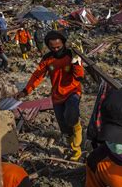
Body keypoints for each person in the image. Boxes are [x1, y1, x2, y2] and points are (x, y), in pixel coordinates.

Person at [16, 30, 84, 161]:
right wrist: (25, 91)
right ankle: (74, 148)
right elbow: (37, 76)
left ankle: (77, 145)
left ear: (63, 44)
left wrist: (76, 63)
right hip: (57, 95)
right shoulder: (47, 59)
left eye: (58, 47)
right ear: (49, 47)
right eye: (53, 48)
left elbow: (80, 76)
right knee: (64, 126)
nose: (56, 49)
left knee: (71, 116)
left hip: (72, 91)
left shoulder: (71, 55)